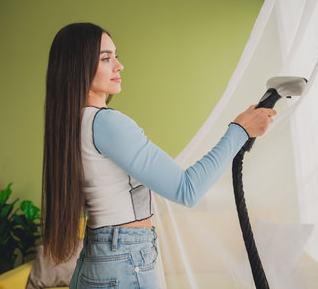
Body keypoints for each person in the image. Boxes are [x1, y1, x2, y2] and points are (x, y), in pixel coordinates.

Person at [41, 22, 277, 289]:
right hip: (123, 260)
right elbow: (187, 189)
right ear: (77, 66)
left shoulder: (71, 122)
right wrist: (239, 130)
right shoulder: (106, 123)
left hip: (97, 257)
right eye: (106, 58)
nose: (119, 66)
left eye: (116, 56)